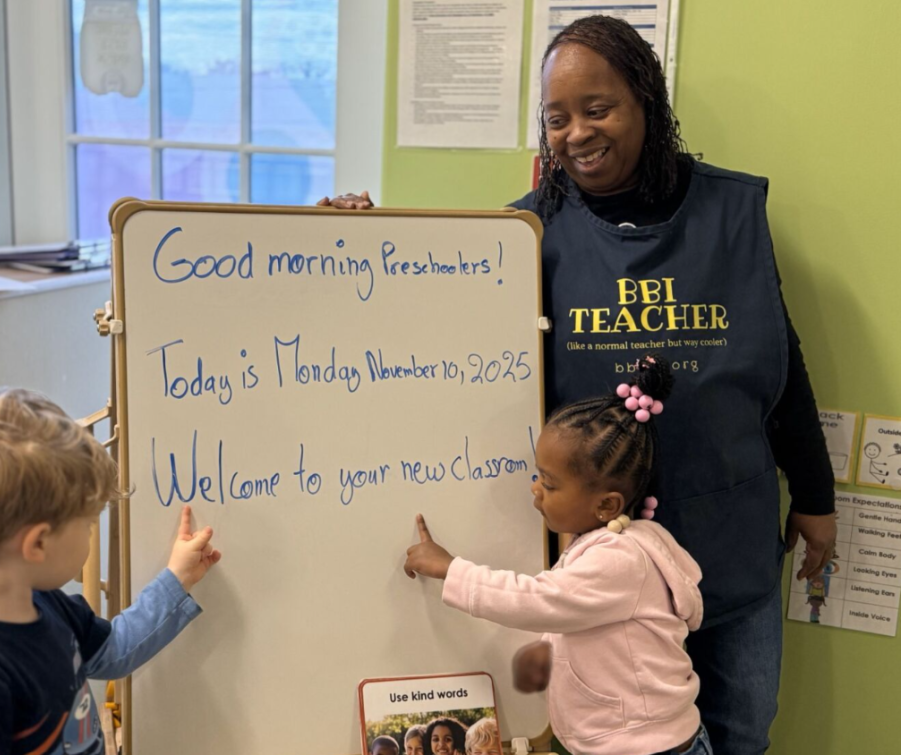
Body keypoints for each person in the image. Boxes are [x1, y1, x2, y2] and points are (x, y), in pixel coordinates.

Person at [323, 15, 836, 753]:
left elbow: (781, 367)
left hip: (728, 552)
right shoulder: (522, 237)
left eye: (598, 109)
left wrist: (816, 497)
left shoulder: (729, 217)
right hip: (601, 579)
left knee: (742, 733)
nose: (575, 133)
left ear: (646, 104)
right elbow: (426, 334)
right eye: (556, 118)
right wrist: (348, 245)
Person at [405, 354, 709, 755]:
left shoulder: (620, 560)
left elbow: (538, 600)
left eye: (548, 483)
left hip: (647, 747)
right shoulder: (611, 542)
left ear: (606, 505)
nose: (535, 489)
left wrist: (452, 570)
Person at [0, 389, 222, 755]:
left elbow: (115, 650)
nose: (92, 532)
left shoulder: (46, 603)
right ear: (38, 544)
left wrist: (177, 578)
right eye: (89, 523)